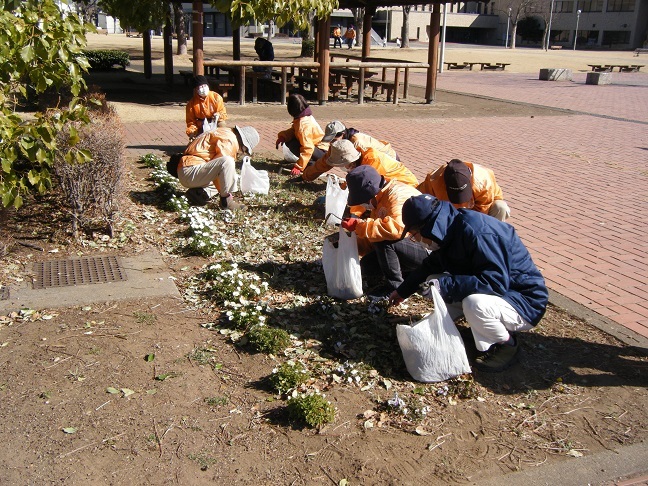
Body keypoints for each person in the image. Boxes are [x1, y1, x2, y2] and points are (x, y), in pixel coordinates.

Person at [389, 194, 548, 372]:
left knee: (473, 304)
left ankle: (507, 344)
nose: (416, 240)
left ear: (427, 228)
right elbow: (429, 266)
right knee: (433, 278)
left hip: (525, 300)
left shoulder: (477, 232)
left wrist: (445, 285)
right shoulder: (450, 228)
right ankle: (457, 323)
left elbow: (495, 282)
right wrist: (402, 291)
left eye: (415, 235)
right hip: (502, 291)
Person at [339, 166, 429, 296]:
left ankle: (396, 288)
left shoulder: (397, 196)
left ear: (371, 193)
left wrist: (360, 226)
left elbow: (397, 230)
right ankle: (410, 277)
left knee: (385, 239)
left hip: (426, 249)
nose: (364, 205)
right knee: (367, 265)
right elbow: (373, 235)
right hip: (409, 245)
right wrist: (352, 245)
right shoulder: (380, 199)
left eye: (363, 201)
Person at [170, 125, 260, 210]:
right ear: (243, 143)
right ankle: (226, 202)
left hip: (189, 171)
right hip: (190, 171)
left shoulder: (226, 133)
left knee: (229, 178)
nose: (243, 152)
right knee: (227, 162)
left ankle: (198, 193)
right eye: (245, 150)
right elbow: (223, 168)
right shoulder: (230, 140)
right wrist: (227, 194)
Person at [417, 159, 510, 221]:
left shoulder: (483, 181)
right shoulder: (433, 180)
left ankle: (493, 238)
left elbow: (482, 215)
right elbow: (420, 201)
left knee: (500, 207)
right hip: (448, 212)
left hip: (480, 208)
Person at [276, 93, 329, 176]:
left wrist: (298, 167)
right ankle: (309, 163)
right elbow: (294, 130)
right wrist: (283, 136)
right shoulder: (304, 116)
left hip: (322, 153)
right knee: (289, 140)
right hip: (320, 149)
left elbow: (308, 148)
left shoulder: (303, 125)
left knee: (293, 144)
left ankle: (312, 164)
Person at [185, 75, 227, 140]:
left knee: (222, 124)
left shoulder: (216, 97)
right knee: (195, 143)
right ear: (196, 89)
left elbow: (223, 114)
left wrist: (218, 115)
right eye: (200, 87)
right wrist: (192, 132)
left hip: (215, 123)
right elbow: (191, 122)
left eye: (205, 86)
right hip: (201, 125)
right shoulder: (191, 104)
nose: (203, 88)